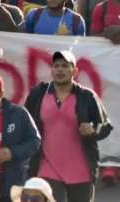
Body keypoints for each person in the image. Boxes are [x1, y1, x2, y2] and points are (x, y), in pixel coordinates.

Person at [24, 50, 113, 202]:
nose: (60, 70)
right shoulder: (38, 94)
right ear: (51, 70)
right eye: (56, 66)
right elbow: (25, 123)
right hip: (47, 167)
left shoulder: (87, 96)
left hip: (81, 168)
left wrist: (92, 130)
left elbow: (104, 125)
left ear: (75, 71)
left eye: (65, 66)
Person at [0, 72, 41, 201]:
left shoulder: (19, 114)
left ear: (0, 94)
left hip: (10, 188)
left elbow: (34, 141)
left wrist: (13, 153)